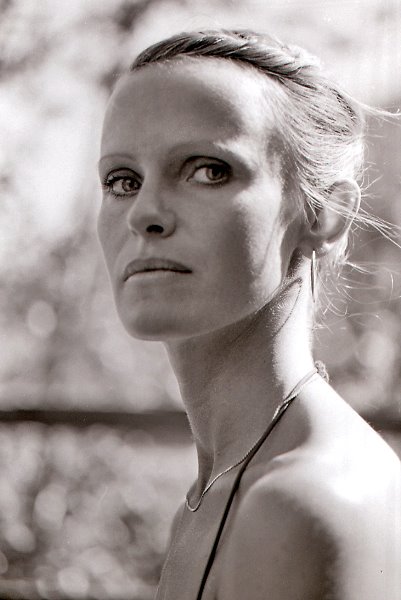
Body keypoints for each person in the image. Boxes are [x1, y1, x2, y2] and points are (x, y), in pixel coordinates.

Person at [97, 29, 401, 600]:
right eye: (122, 181)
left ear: (324, 214)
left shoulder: (301, 501)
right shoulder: (217, 491)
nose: (144, 213)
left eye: (208, 170)